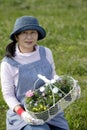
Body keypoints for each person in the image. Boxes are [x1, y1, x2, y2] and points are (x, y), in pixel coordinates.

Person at [0, 16, 70, 130]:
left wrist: (61, 82)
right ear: (17, 36)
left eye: (33, 32)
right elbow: (8, 95)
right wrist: (22, 113)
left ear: (37, 35)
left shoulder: (46, 52)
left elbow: (52, 77)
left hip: (51, 109)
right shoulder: (8, 64)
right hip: (24, 114)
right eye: (24, 33)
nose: (29, 37)